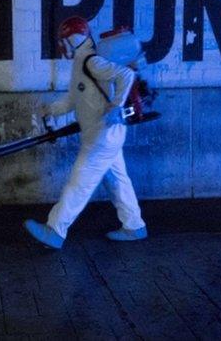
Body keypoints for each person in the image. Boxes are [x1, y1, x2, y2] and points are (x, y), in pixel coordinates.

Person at [24, 16, 148, 249]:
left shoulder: (91, 61)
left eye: (66, 40)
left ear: (73, 38)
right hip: (105, 134)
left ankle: (55, 229)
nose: (65, 45)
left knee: (79, 183)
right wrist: (51, 110)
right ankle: (134, 226)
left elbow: (126, 75)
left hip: (103, 136)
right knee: (118, 181)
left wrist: (116, 106)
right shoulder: (83, 61)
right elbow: (74, 98)